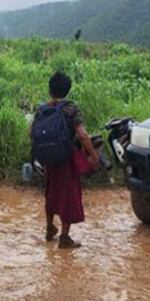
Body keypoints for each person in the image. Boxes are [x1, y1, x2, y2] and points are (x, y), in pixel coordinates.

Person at [32, 72, 100, 249]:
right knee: (69, 195)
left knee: (51, 191)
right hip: (67, 158)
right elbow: (83, 135)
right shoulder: (71, 109)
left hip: (48, 158)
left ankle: (49, 229)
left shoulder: (42, 109)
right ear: (68, 90)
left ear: (50, 89)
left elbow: (30, 132)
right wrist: (93, 155)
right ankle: (64, 237)